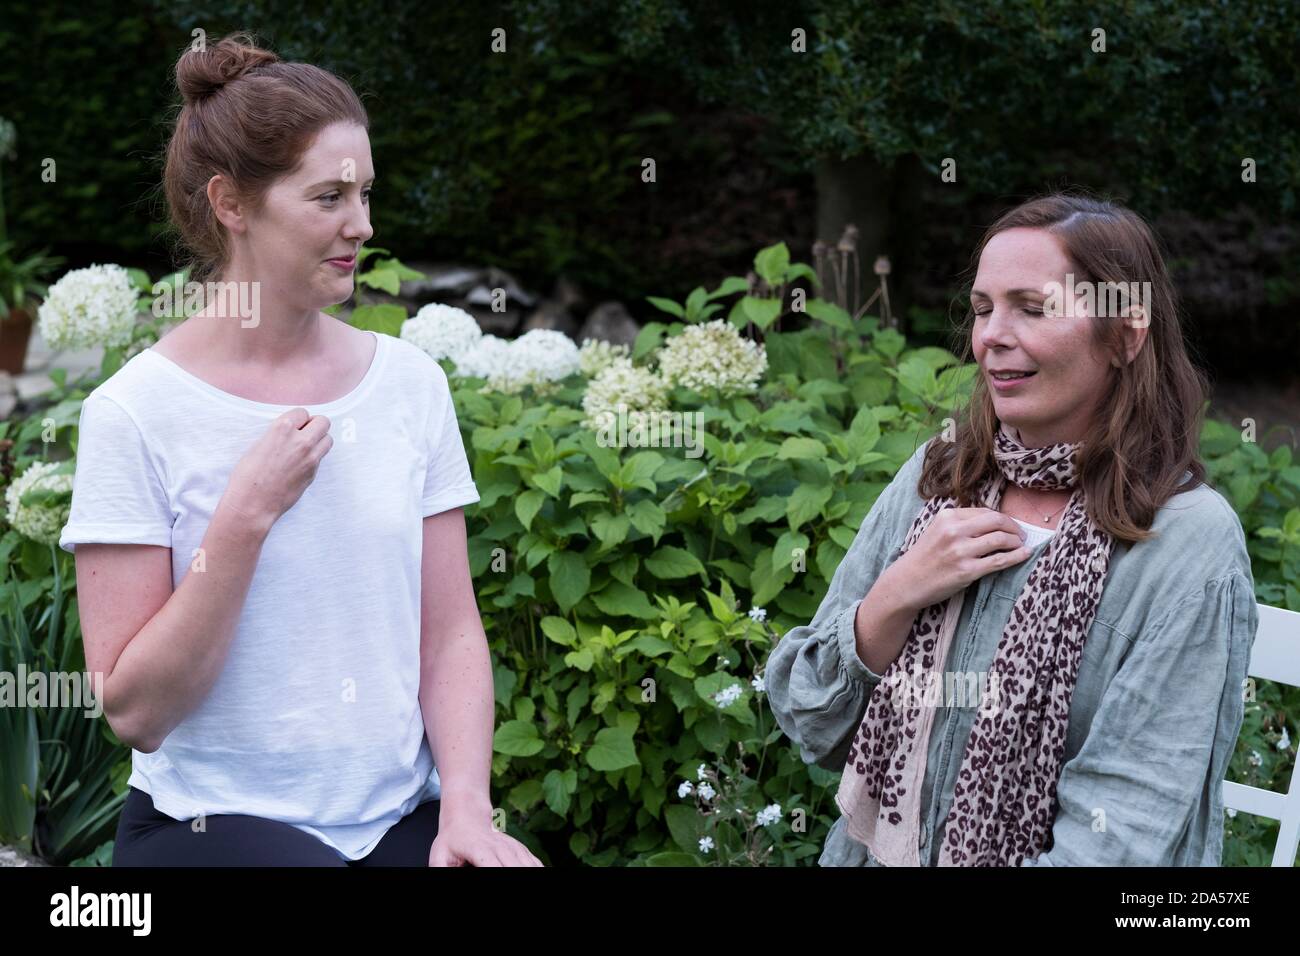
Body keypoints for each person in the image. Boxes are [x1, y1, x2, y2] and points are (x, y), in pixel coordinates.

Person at [59, 32, 541, 867]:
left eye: (364, 192)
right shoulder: (134, 413)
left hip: (400, 819)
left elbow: (450, 631)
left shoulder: (409, 385)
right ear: (232, 204)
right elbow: (134, 711)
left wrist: (467, 807)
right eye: (328, 197)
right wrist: (243, 520)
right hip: (210, 828)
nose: (363, 223)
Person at [766, 191, 1258, 867]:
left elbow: (1120, 836)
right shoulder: (938, 478)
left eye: (1032, 308)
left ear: (1126, 333)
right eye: (983, 308)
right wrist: (893, 597)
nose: (992, 334)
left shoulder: (1186, 542)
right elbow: (809, 718)